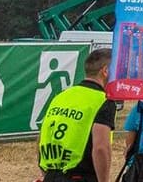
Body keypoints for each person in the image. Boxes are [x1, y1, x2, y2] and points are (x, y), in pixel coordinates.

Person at [38, 47, 116, 182]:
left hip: (51, 174)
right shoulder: (103, 100)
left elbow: (41, 139)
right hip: (81, 175)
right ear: (105, 71)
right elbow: (101, 148)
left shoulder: (61, 97)